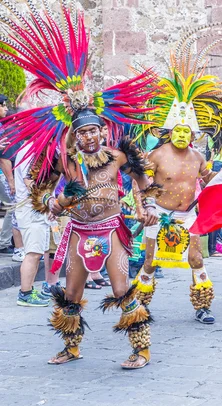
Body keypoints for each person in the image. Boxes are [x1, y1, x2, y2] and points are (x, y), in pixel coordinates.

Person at [0, 3, 158, 369]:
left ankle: (142, 350)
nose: (89, 137)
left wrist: (147, 206)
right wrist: (54, 204)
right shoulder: (63, 161)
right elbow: (38, 191)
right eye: (82, 132)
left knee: (121, 289)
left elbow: (142, 176)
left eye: (94, 130)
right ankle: (72, 347)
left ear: (103, 131)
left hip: (112, 230)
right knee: (70, 292)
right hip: (77, 231)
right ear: (74, 135)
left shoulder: (119, 155)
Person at [132, 40, 222, 324]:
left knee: (196, 259)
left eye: (186, 131)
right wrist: (146, 208)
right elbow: (140, 182)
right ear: (171, 130)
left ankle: (203, 306)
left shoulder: (198, 156)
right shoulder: (156, 154)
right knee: (150, 261)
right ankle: (140, 306)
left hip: (188, 215)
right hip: (160, 215)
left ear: (192, 133)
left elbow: (209, 180)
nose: (181, 134)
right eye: (177, 130)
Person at [14, 142, 59, 307]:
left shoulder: (39, 149)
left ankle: (29, 290)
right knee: (33, 253)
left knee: (37, 252)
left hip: (38, 211)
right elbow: (30, 182)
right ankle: (25, 294)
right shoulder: (30, 151)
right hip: (31, 211)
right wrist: (49, 202)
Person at [0, 102, 25, 261]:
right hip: (4, 174)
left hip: (6, 174)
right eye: (3, 105)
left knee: (13, 206)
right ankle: (5, 243)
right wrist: (11, 181)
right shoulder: (10, 131)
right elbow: (5, 159)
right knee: (14, 206)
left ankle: (5, 241)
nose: (6, 108)